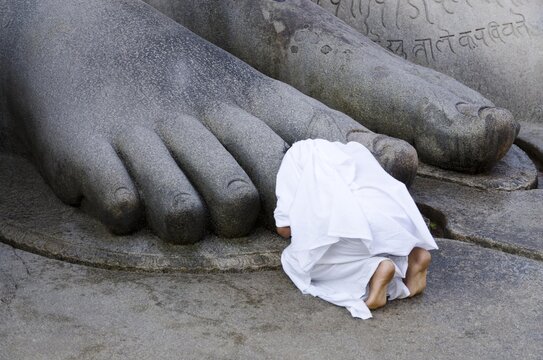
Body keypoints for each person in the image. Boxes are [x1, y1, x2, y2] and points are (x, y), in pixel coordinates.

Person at [274, 139, 438, 319]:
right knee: (374, 246)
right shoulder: (347, 151)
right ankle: (413, 256)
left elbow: (284, 228)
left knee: (294, 260)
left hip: (350, 229)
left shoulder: (293, 158)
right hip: (391, 226)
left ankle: (374, 270)